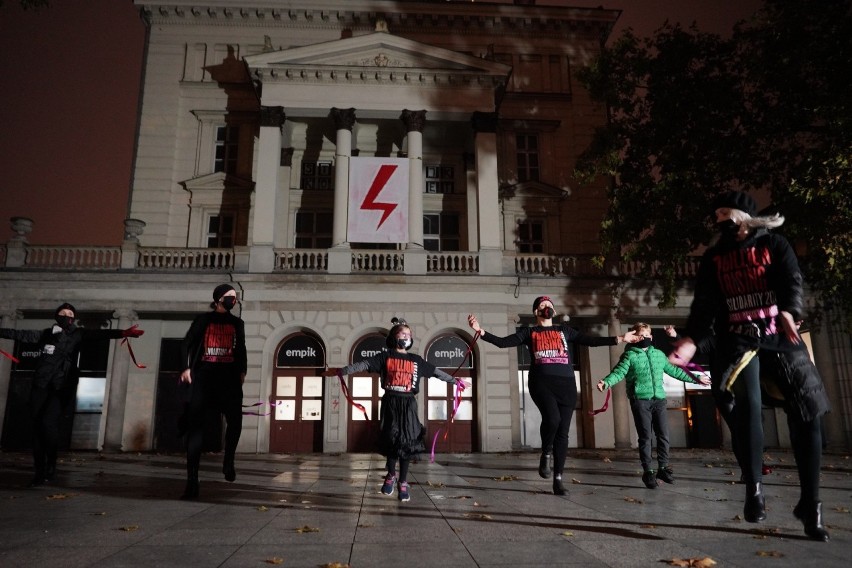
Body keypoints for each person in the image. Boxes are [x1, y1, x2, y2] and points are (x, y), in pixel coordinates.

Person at [668, 191, 830, 541]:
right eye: (716, 214)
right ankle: (754, 490)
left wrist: (790, 311)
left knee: (808, 413)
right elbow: (705, 305)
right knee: (748, 407)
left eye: (725, 212)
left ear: (743, 215)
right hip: (738, 341)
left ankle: (811, 503)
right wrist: (692, 338)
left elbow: (791, 281)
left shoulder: (775, 244)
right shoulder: (714, 257)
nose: (719, 219)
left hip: (778, 335)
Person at [468, 297, 638, 495]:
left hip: (566, 385)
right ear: (535, 312)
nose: (546, 307)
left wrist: (620, 338)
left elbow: (590, 341)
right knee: (553, 419)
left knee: (563, 432)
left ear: (554, 312)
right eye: (542, 306)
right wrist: (481, 331)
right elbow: (503, 343)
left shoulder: (563, 331)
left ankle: (558, 479)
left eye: (549, 305)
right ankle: (546, 451)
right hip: (541, 383)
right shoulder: (529, 332)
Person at [324, 318, 469, 503]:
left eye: (409, 334)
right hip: (391, 402)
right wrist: (340, 371)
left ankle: (403, 482)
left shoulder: (416, 360)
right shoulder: (385, 357)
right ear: (395, 336)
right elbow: (362, 365)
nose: (407, 337)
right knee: (392, 439)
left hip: (408, 403)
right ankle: (391, 475)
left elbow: (436, 372)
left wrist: (456, 381)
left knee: (407, 442)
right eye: (403, 334)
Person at [0, 303, 144, 487]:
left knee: (48, 424)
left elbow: (98, 335)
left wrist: (122, 333)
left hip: (61, 387)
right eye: (63, 313)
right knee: (37, 428)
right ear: (57, 315)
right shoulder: (45, 334)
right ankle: (39, 471)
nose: (67, 316)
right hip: (41, 385)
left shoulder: (78, 334)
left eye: (70, 314)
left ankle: (51, 467)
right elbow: (18, 334)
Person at [597, 323, 710, 488]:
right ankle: (648, 471)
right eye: (641, 335)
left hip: (659, 400)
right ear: (636, 337)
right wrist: (606, 382)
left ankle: (663, 468)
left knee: (663, 435)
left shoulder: (659, 355)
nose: (645, 338)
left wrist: (696, 379)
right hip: (640, 400)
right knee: (646, 437)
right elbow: (619, 372)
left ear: (651, 336)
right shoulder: (629, 356)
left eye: (647, 335)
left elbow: (675, 371)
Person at [178, 284, 247, 500]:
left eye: (235, 298)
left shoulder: (238, 323)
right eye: (229, 297)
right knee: (195, 429)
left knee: (235, 421)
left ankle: (229, 460)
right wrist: (186, 368)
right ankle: (192, 481)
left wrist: (243, 370)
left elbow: (242, 348)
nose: (233, 300)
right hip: (204, 378)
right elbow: (186, 344)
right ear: (218, 299)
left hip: (228, 380)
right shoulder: (203, 321)